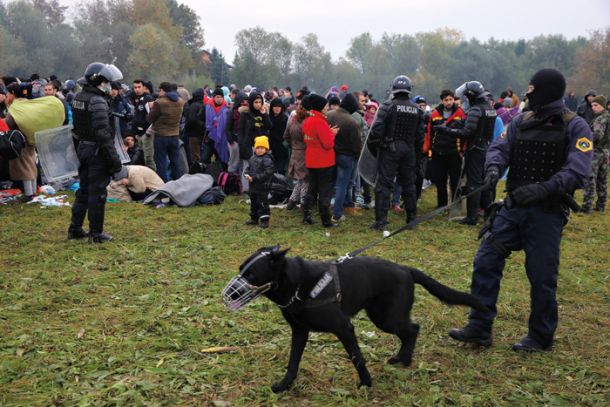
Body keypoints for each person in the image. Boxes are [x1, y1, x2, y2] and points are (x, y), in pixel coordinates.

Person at [449, 69, 593, 352]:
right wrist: (493, 169)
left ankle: (540, 336)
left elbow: (578, 171)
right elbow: (500, 148)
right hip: (513, 209)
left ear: (545, 92)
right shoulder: (521, 121)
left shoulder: (575, 126)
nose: (527, 95)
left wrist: (544, 188)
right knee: (486, 261)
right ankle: (479, 327)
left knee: (541, 277)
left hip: (546, 213)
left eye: (532, 90)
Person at [68, 62, 123, 243]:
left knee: (83, 190)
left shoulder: (79, 96)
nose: (108, 85)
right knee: (97, 193)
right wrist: (115, 161)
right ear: (98, 81)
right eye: (106, 82)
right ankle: (96, 234)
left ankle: (75, 228)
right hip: (97, 152)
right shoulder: (97, 101)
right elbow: (103, 135)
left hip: (83, 148)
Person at [435, 81, 497, 225]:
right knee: (484, 182)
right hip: (486, 148)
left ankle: (472, 217)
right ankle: (487, 214)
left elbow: (467, 132)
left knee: (474, 183)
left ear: (471, 95)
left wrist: (447, 130)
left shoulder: (476, 109)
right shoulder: (489, 107)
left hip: (476, 150)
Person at [368, 75, 425, 230]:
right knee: (409, 185)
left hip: (389, 149)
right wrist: (417, 155)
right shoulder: (417, 110)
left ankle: (381, 221)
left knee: (384, 185)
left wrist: (375, 147)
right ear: (409, 90)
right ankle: (411, 219)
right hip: (409, 150)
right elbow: (420, 137)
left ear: (394, 88)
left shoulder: (387, 106)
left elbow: (376, 131)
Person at [301, 93, 339, 227]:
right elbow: (328, 144)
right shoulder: (320, 122)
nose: (328, 108)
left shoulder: (307, 121)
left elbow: (313, 138)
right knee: (324, 191)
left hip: (311, 160)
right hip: (324, 161)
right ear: (320, 107)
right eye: (326, 106)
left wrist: (327, 132)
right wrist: (332, 134)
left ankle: (306, 214)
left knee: (312, 188)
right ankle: (326, 220)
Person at [424, 89, 466, 208]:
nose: (448, 102)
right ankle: (442, 205)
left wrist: (462, 150)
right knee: (440, 181)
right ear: (442, 101)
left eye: (450, 99)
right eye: (446, 100)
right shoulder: (434, 114)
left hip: (454, 152)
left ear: (454, 99)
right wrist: (430, 150)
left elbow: (464, 133)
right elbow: (429, 133)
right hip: (438, 153)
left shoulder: (460, 113)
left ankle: (456, 206)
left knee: (455, 181)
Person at [326, 93, 361, 222]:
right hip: (346, 157)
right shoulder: (352, 122)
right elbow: (356, 144)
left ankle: (324, 210)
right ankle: (337, 214)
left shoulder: (328, 115)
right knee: (342, 185)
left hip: (330, 154)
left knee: (329, 183)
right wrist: (357, 156)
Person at [147, 82, 185, 182]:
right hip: (175, 136)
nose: (159, 92)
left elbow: (150, 119)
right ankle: (178, 183)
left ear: (163, 90)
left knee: (161, 162)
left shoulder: (159, 102)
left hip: (161, 136)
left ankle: (163, 185)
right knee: (175, 162)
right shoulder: (180, 101)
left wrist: (151, 108)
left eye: (160, 90)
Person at [237, 92, 272, 192]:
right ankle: (245, 189)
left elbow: (269, 126)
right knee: (247, 167)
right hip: (249, 144)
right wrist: (242, 142)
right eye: (255, 102)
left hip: (261, 145)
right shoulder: (245, 114)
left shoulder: (263, 113)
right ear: (251, 103)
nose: (258, 104)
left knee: (261, 167)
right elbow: (240, 129)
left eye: (260, 102)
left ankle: (258, 187)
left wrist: (264, 114)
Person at [581, 95, 609, 213]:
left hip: (596, 152)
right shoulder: (608, 117)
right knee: (602, 180)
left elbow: (597, 135)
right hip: (606, 152)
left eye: (596, 105)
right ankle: (601, 205)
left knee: (590, 178)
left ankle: (587, 206)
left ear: (602, 105)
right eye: (592, 105)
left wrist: (584, 143)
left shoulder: (600, 119)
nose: (593, 107)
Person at [244, 136, 275, 228]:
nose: (259, 150)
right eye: (258, 148)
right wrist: (246, 174)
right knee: (253, 203)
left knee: (262, 203)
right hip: (253, 186)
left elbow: (268, 173)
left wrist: (255, 178)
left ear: (266, 149)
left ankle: (264, 220)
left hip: (263, 186)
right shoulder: (252, 158)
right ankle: (254, 218)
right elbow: (248, 168)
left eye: (262, 148)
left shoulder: (267, 159)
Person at [283, 102, 309, 210]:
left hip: (294, 152)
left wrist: (292, 145)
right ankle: (303, 203)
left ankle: (292, 201)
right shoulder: (306, 124)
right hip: (304, 152)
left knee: (300, 180)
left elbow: (286, 136)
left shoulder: (292, 122)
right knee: (306, 179)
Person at [269, 98, 289, 174]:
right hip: (270, 147)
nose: (277, 108)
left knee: (281, 170)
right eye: (275, 106)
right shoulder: (268, 118)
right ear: (272, 107)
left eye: (279, 106)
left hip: (282, 148)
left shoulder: (285, 118)